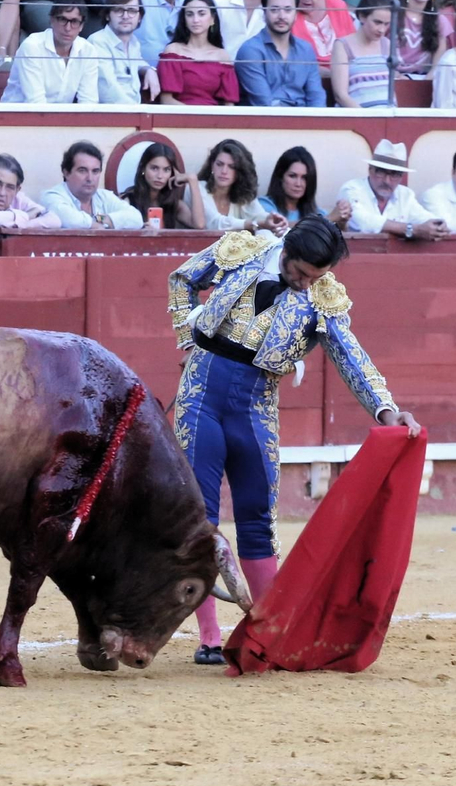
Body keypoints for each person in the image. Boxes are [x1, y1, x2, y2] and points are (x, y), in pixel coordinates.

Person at [167, 215, 420, 663]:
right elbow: (183, 278)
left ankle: (268, 636)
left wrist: (386, 408)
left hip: (255, 404)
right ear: (286, 250)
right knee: (197, 519)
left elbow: (350, 357)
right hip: (201, 393)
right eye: (300, 273)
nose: (305, 285)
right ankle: (208, 637)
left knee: (258, 520)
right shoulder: (241, 252)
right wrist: (189, 337)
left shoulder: (322, 296)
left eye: (315, 277)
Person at [236, 0, 323, 106]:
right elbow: (262, 102)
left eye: (288, 10)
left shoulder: (305, 49)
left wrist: (318, 122)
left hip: (304, 119)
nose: (281, 16)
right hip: (265, 121)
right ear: (264, 13)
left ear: (296, 14)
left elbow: (316, 95)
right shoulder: (250, 50)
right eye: (275, 9)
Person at [335, 139, 442, 240]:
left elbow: (426, 219)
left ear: (401, 177)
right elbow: (364, 222)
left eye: (394, 174)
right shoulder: (352, 189)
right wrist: (413, 230)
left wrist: (438, 226)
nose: (387, 181)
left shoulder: (405, 195)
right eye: (381, 172)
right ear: (370, 170)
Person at [0, 0, 99, 102]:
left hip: (58, 116)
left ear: (81, 26)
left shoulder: (88, 50)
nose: (68, 28)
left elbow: (89, 100)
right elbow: (35, 101)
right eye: (62, 19)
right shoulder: (32, 46)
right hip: (16, 115)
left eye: (74, 21)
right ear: (51, 20)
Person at [154, 0, 237, 104]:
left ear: (212, 18)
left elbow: (229, 104)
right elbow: (167, 100)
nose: (195, 20)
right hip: (179, 118)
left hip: (215, 119)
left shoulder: (222, 56)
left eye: (201, 14)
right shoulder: (173, 51)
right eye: (189, 14)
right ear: (184, 19)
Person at [39, 140, 143, 228]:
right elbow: (68, 218)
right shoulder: (52, 196)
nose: (90, 178)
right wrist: (95, 225)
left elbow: (136, 218)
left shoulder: (104, 197)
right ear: (66, 173)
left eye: (95, 171)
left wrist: (101, 219)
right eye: (82, 170)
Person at [85, 0, 157, 101]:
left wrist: (149, 70)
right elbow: (108, 90)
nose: (125, 16)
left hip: (134, 111)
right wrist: (136, 113)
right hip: (112, 113)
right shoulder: (98, 42)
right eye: (119, 10)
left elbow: (138, 62)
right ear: (107, 15)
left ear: (139, 17)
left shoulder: (134, 43)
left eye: (132, 11)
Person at [192, 139, 278, 232]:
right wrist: (250, 224)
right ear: (212, 165)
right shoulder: (197, 188)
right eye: (219, 164)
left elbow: (259, 215)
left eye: (231, 167)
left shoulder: (242, 192)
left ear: (241, 171)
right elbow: (213, 222)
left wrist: (274, 220)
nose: (224, 171)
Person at [287, 0, 354, 74]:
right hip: (308, 74)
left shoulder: (338, 5)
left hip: (346, 71)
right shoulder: (289, 12)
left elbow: (352, 45)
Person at [120, 140, 205, 228]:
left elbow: (199, 225)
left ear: (172, 172)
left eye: (166, 170)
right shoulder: (128, 200)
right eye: (154, 168)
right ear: (143, 168)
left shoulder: (173, 204)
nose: (160, 176)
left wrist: (192, 180)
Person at [330, 0, 392, 108]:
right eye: (377, 22)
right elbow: (340, 95)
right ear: (362, 16)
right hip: (357, 120)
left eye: (386, 24)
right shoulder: (342, 45)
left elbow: (390, 90)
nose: (382, 29)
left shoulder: (387, 44)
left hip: (387, 119)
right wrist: (366, 118)